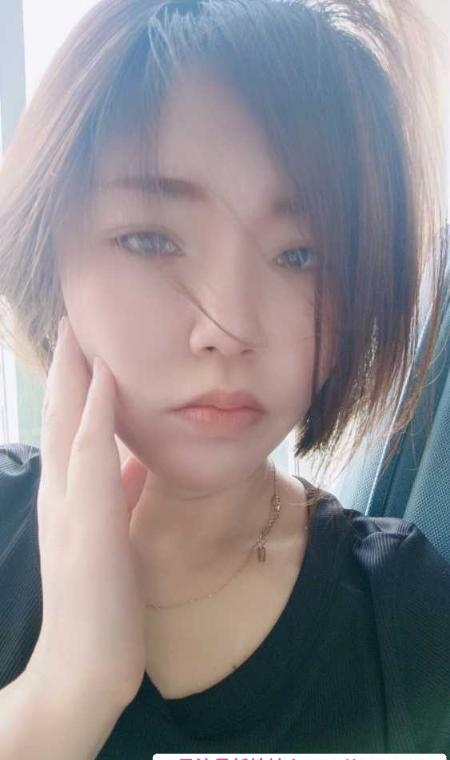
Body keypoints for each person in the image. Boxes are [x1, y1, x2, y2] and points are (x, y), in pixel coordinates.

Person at [0, 0, 448, 756]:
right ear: (51, 253)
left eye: (301, 255)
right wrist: (69, 687)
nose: (230, 327)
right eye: (151, 239)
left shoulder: (408, 621)